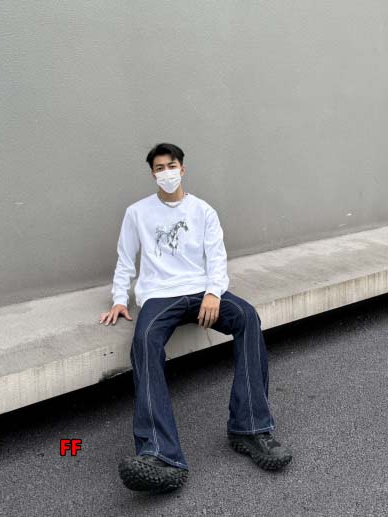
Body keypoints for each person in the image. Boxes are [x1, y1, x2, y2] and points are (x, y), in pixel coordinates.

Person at [99, 143, 292, 494]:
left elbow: (216, 257)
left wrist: (214, 292)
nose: (167, 173)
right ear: (153, 174)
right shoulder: (137, 213)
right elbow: (125, 259)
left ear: (182, 169)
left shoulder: (203, 211)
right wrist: (118, 300)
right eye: (159, 168)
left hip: (202, 291)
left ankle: (250, 429)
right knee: (144, 341)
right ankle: (160, 454)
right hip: (160, 295)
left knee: (247, 317)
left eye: (171, 165)